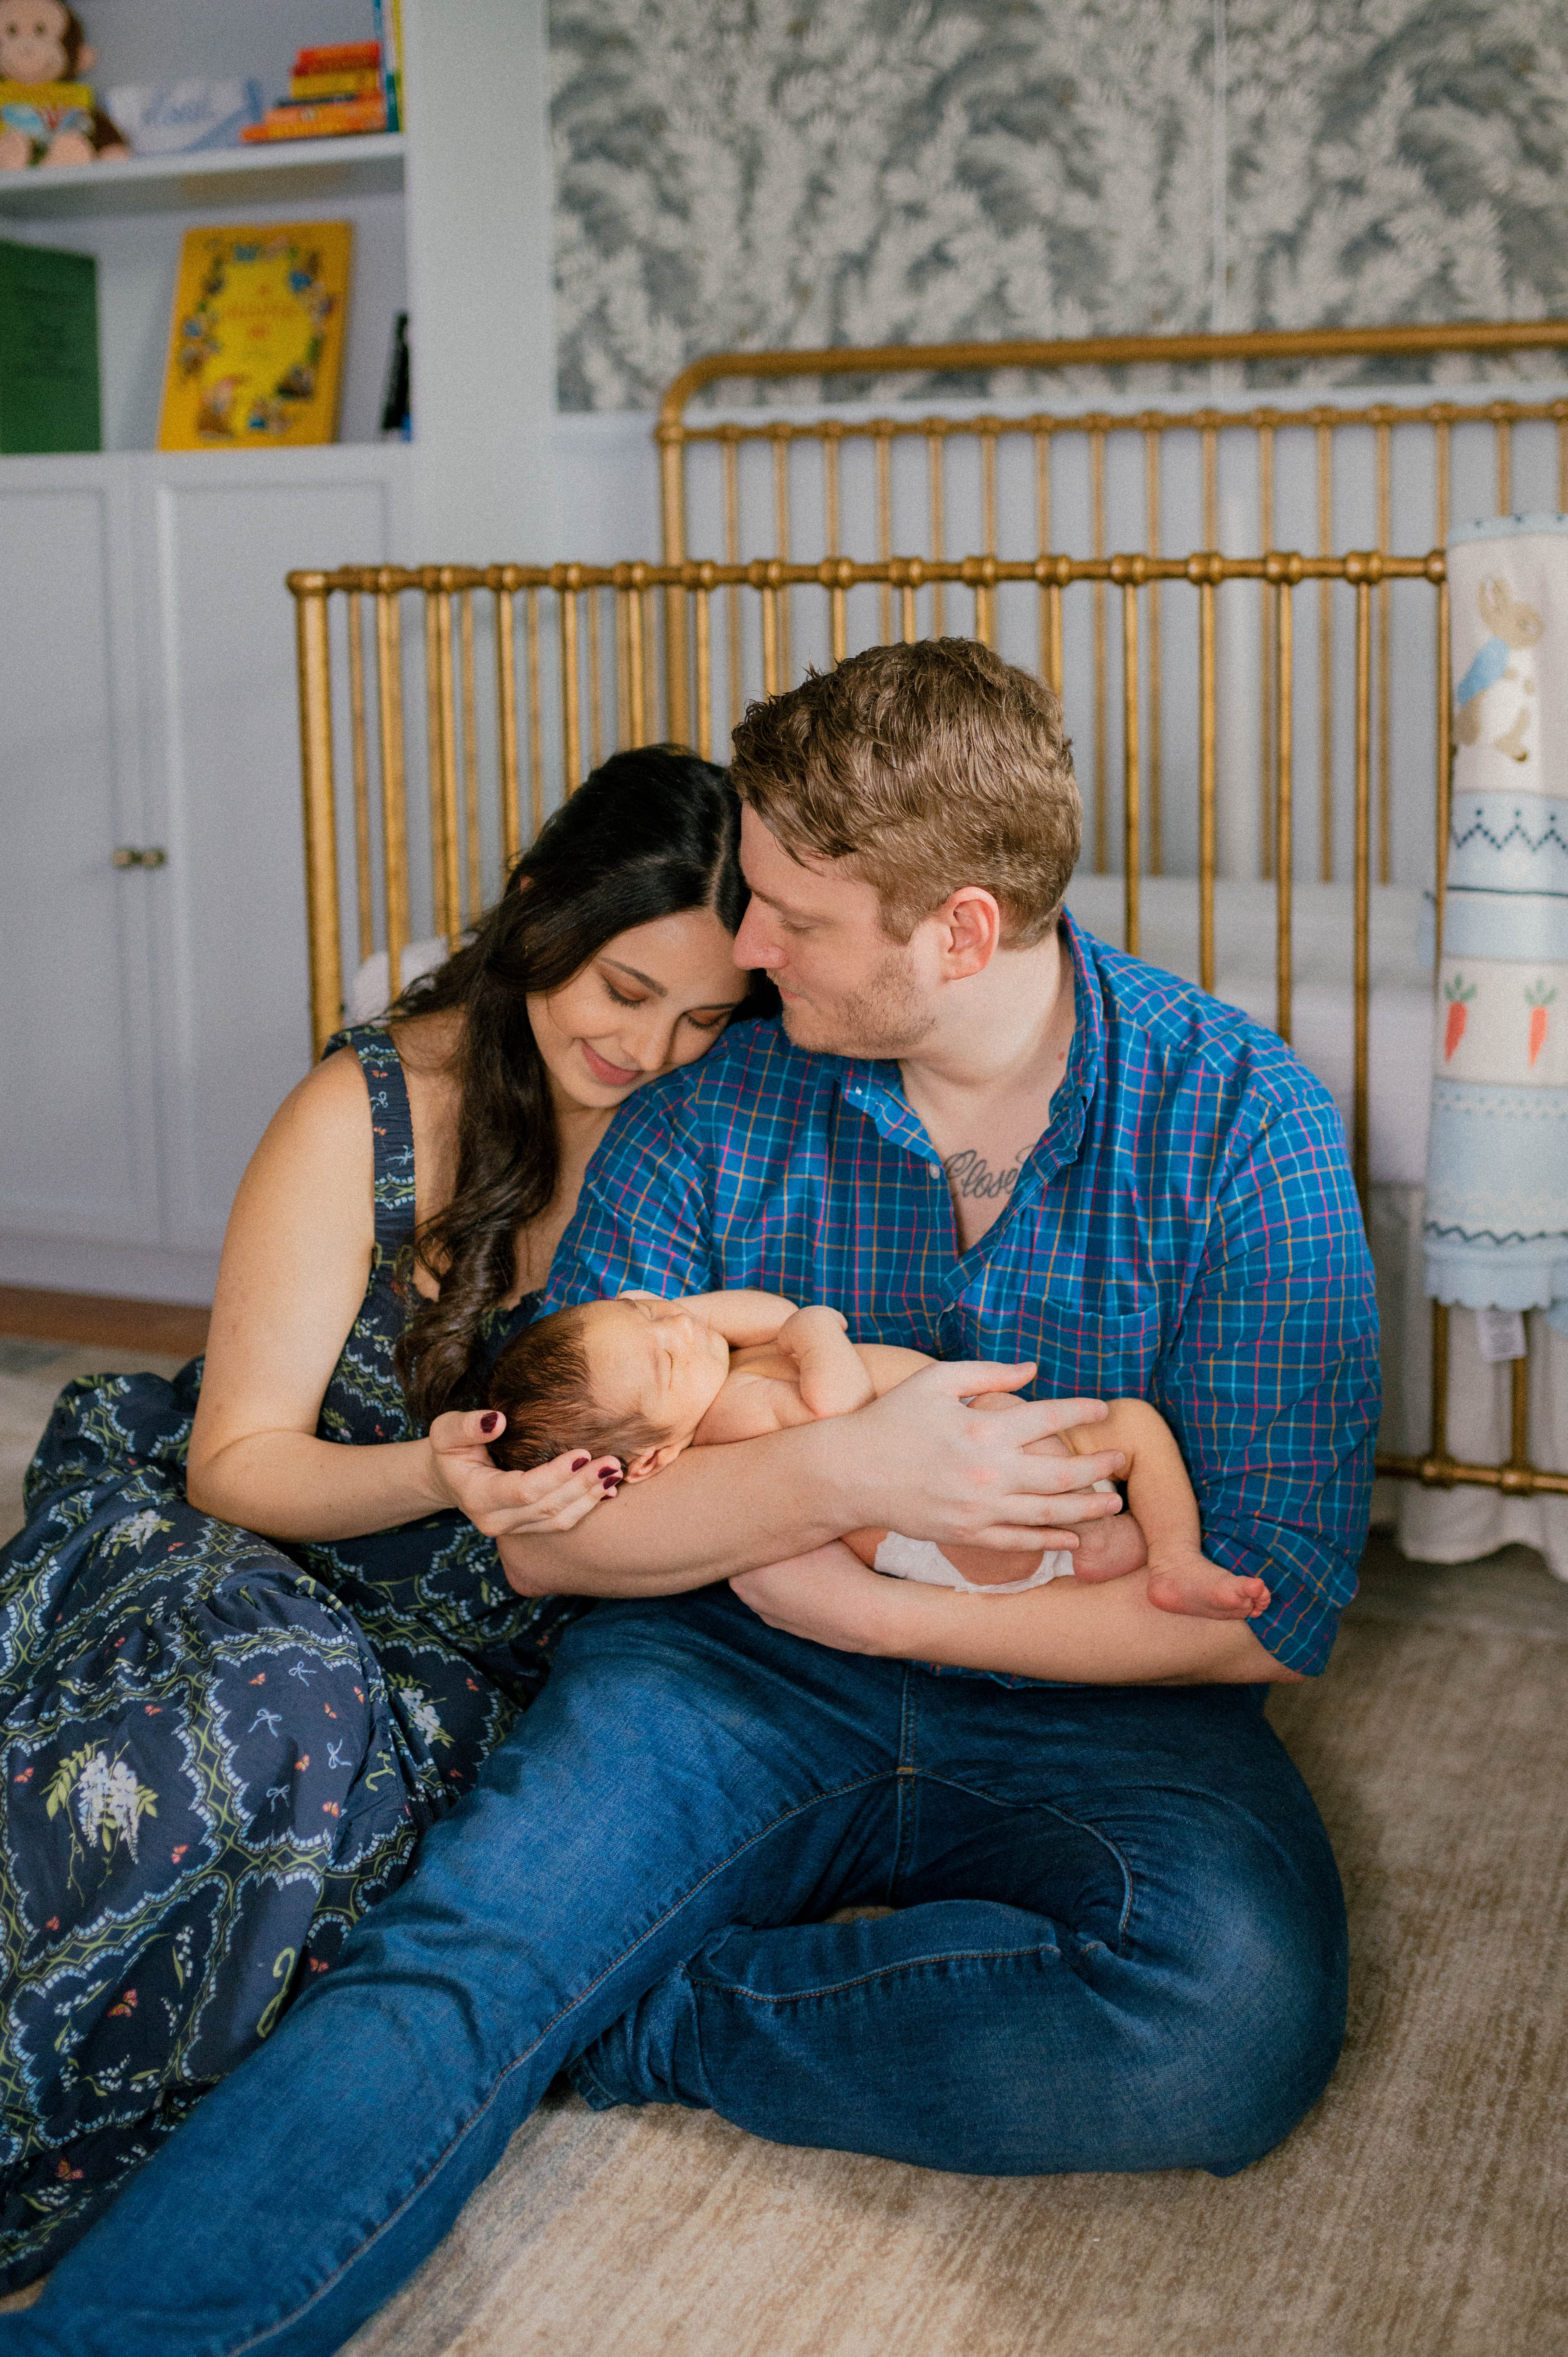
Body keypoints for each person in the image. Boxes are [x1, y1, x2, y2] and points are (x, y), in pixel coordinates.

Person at [7, 639, 1379, 2357]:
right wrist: (829, 1478)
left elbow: (1271, 1604)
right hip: (726, 1664)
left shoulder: (1242, 1125)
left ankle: (642, 2023)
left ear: (954, 930)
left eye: (793, 916)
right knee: (463, 1953)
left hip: (1083, 1689)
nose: (744, 944)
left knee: (1231, 2026)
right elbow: (549, 1519)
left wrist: (873, 1598)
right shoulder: (719, 1105)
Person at [0, 746, 768, 2290]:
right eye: (623, 988)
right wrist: (440, 1473)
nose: (651, 1046)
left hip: (478, 1639)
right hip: (263, 1530)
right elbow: (241, 1458)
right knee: (250, 1711)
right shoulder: (366, 1108)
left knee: (385, 1860)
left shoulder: (702, 1131)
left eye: (699, 1016)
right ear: (539, 911)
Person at [485, 1286, 1269, 1611]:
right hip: (942, 1515)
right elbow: (836, 1407)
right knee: (1127, 1425)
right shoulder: (732, 1409)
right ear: (650, 1460)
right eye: (661, 1354)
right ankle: (1169, 1558)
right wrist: (818, 1327)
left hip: (960, 1487)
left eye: (646, 1309)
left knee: (1110, 1500)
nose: (678, 1328)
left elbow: (763, 1312)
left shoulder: (708, 1368)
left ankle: (1159, 1561)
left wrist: (670, 1318)